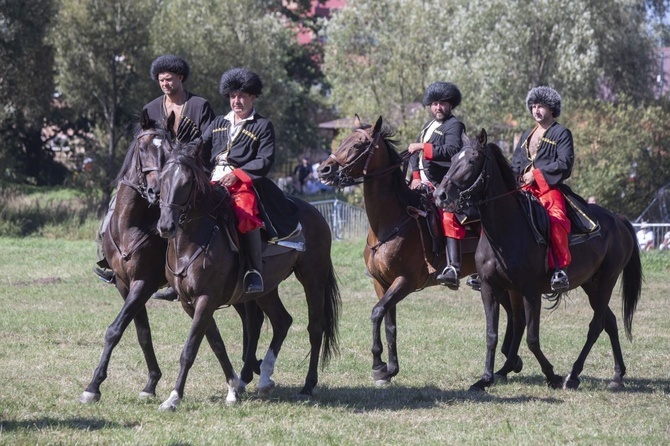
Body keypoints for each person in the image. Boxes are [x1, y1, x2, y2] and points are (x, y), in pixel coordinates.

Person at [94, 55, 215, 293]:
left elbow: (208, 139)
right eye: (161, 80)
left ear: (180, 78)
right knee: (115, 205)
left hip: (186, 176)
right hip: (154, 176)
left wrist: (187, 154)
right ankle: (111, 261)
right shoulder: (150, 108)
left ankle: (175, 271)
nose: (165, 84)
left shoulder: (200, 106)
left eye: (169, 79)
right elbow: (142, 146)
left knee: (177, 212)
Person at [197, 67, 298, 294]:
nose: (237, 101)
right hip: (211, 180)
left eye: (242, 96)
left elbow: (265, 160)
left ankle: (253, 271)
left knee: (245, 212)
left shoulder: (262, 126)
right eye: (233, 96)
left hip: (243, 184)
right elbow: (200, 152)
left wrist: (237, 174)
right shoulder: (217, 124)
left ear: (253, 96)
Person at [511, 86, 573, 292]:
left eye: (541, 106)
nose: (536, 110)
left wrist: (536, 174)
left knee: (556, 220)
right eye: (534, 106)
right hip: (522, 190)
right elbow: (516, 164)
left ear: (552, 108)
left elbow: (565, 164)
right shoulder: (526, 134)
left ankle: (559, 270)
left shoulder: (561, 133)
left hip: (548, 190)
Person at [408, 81, 467, 289]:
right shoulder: (427, 126)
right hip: (420, 183)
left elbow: (452, 151)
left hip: (444, 184)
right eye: (434, 103)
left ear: (450, 105)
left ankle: (453, 268)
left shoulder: (455, 125)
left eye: (442, 103)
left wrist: (423, 146)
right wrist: (415, 177)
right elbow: (414, 155)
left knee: (448, 217)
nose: (438, 107)